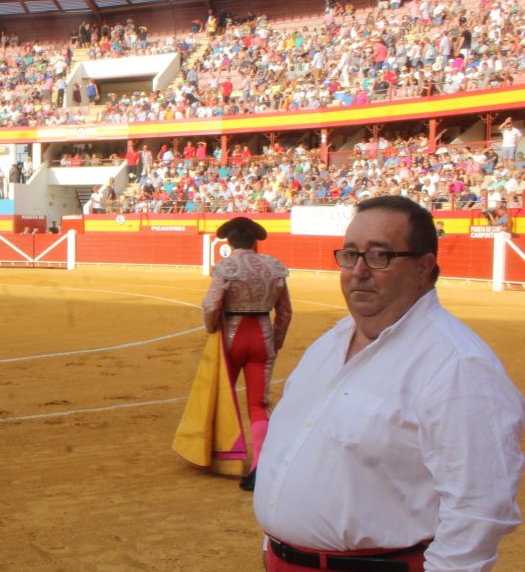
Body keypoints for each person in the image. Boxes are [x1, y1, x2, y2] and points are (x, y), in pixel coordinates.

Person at [255, 196, 525, 571]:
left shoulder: (459, 365)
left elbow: (480, 508)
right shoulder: (329, 343)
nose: (359, 271)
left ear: (423, 266)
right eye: (350, 254)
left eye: (379, 256)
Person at [175, 217, 291, 491]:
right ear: (255, 241)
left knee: (219, 396)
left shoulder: (226, 267)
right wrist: (275, 342)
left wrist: (212, 328)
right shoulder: (274, 267)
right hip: (261, 336)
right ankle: (259, 465)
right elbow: (285, 313)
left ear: (228, 243)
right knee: (257, 404)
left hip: (231, 338)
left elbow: (211, 304)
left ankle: (217, 456)